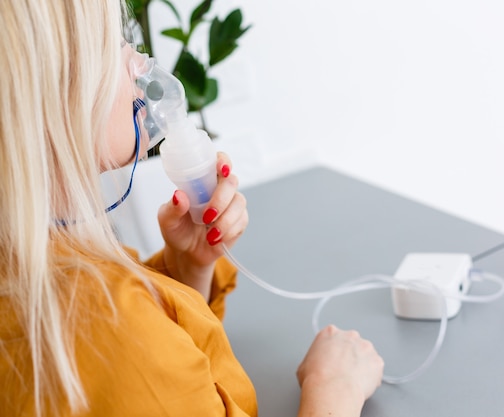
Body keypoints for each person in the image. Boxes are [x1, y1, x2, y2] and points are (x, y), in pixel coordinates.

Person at [0, 1, 384, 417]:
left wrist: (187, 272)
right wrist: (333, 391)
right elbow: (130, 358)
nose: (138, 61)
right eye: (111, 45)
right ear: (52, 96)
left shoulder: (41, 262)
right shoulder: (109, 330)